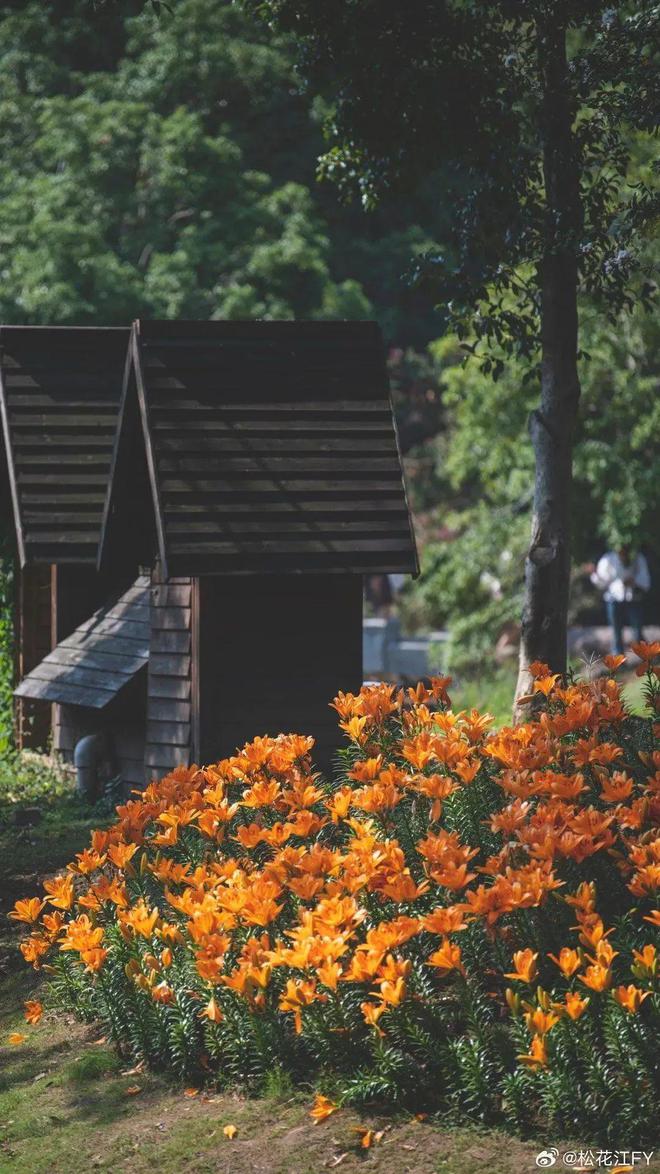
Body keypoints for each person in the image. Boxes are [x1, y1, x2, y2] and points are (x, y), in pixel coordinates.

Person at [590, 544, 651, 655]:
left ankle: (646, 657)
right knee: (616, 632)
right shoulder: (608, 558)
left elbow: (645, 580)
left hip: (633, 598)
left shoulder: (637, 557)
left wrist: (634, 581)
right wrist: (594, 574)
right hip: (614, 599)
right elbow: (602, 582)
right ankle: (618, 659)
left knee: (637, 631)